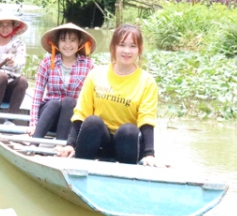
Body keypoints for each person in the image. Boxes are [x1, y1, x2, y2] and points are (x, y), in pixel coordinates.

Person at [57, 24, 160, 166]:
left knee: (128, 130)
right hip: (98, 141)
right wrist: (70, 144)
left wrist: (150, 154)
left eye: (132, 46)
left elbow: (146, 120)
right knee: (93, 122)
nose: (126, 51)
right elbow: (82, 112)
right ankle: (79, 168)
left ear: (139, 49)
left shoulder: (147, 82)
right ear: (113, 47)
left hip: (127, 144)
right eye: (122, 45)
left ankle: (128, 177)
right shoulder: (96, 74)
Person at [28, 23, 96, 140]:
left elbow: (93, 97)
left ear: (79, 42)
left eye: (72, 40)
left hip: (71, 119)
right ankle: (34, 143)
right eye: (63, 40)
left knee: (69, 102)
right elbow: (37, 94)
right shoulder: (47, 63)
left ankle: (61, 145)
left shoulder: (88, 65)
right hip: (48, 116)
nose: (67, 45)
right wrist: (33, 123)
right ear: (57, 43)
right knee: (55, 103)